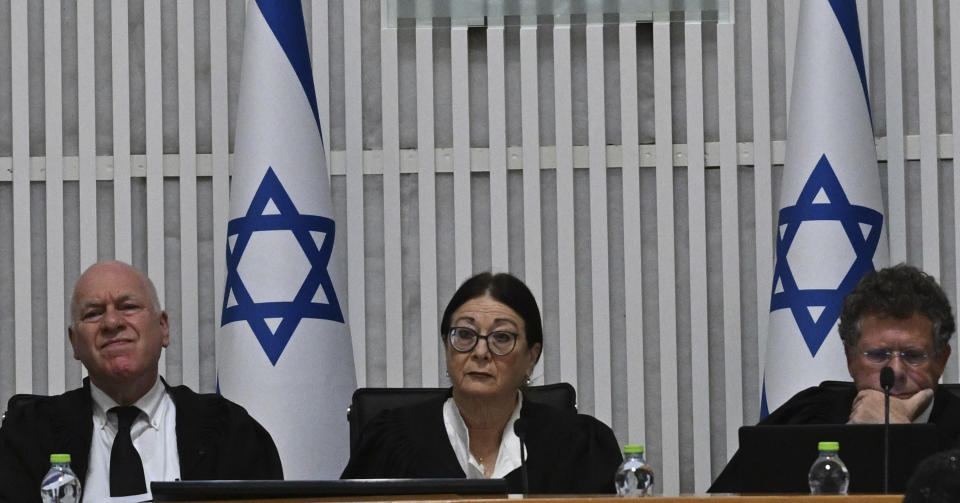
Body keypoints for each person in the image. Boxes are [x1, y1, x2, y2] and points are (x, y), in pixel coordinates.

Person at [0, 261, 282, 502]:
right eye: (93, 313)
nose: (112, 323)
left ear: (163, 328)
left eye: (128, 306)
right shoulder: (26, 436)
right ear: (75, 343)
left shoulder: (232, 432)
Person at [341, 272, 622, 493]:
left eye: (501, 337)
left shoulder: (580, 447)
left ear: (531, 357)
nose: (480, 352)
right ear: (446, 346)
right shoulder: (391, 442)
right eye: (464, 334)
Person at [710, 264, 960, 492]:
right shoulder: (807, 417)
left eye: (913, 355)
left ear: (941, 360)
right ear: (850, 360)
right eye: (878, 355)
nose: (895, 372)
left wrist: (899, 438)